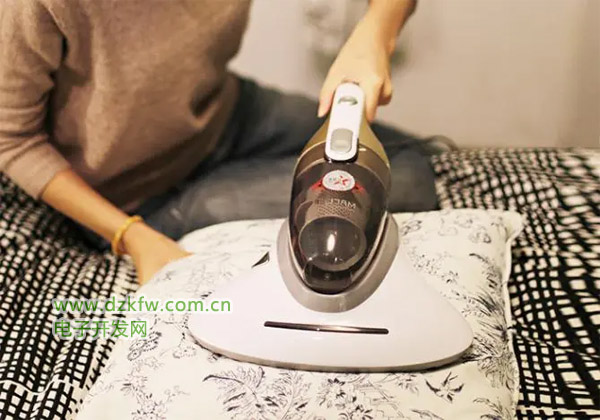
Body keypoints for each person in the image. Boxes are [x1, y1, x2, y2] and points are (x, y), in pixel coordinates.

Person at [0, 0, 439, 284]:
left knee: (414, 156)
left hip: (229, 110)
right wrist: (130, 235)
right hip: (138, 196)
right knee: (409, 183)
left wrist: (377, 31)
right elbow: (12, 140)